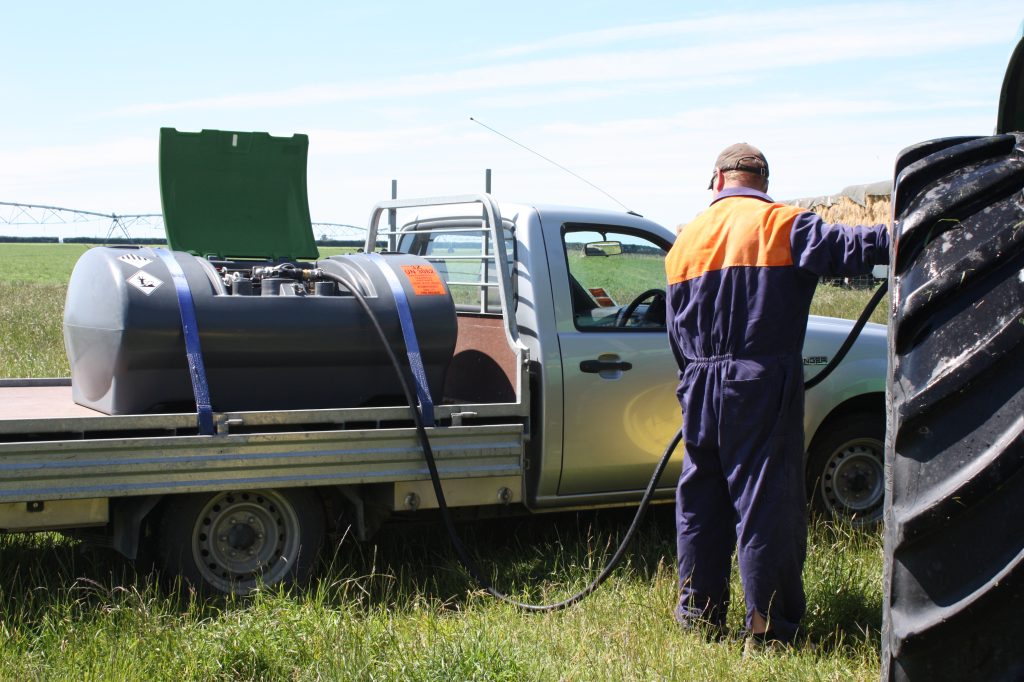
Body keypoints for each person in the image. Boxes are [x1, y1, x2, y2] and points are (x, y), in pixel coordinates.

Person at [664, 143, 889, 645]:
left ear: (717, 181)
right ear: (763, 182)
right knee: (765, 504)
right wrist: (912, 233)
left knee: (701, 502)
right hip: (759, 381)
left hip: (697, 382)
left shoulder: (685, 241)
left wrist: (696, 379)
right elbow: (852, 248)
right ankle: (767, 630)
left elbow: (675, 331)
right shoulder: (783, 224)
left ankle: (699, 618)